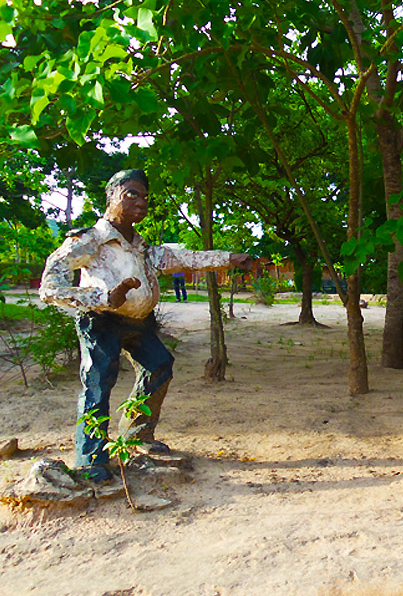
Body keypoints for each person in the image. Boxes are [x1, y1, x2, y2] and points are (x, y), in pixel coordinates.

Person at [39, 169, 252, 483]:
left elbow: (185, 258)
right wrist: (102, 297)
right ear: (112, 197)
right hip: (101, 321)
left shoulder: (140, 246)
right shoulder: (90, 240)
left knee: (159, 365)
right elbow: (49, 286)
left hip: (138, 323)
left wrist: (230, 258)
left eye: (145, 196)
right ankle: (90, 458)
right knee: (98, 382)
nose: (142, 201)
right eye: (132, 194)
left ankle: (136, 434)